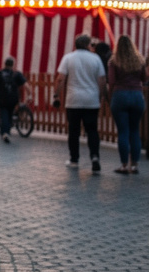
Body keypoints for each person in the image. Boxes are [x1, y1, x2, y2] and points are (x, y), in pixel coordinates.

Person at [53, 33, 106, 172]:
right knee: (92, 130)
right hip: (91, 99)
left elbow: (61, 78)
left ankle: (74, 159)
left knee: (74, 130)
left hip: (74, 99)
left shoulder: (68, 58)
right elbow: (101, 80)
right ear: (88, 45)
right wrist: (100, 96)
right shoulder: (95, 58)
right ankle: (94, 157)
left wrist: (56, 94)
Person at [106, 35, 146, 174]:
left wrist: (110, 96)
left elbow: (111, 81)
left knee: (123, 132)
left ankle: (123, 165)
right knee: (135, 131)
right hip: (136, 96)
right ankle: (134, 164)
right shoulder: (139, 60)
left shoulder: (114, 61)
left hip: (120, 95)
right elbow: (145, 78)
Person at [0, 57, 26, 143]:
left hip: (2, 98)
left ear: (4, 64)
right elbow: (26, 85)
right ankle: (7, 131)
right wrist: (31, 95)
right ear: (13, 65)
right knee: (9, 114)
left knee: (4, 114)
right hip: (13, 98)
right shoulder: (17, 74)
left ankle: (5, 132)